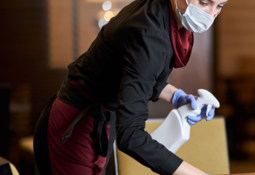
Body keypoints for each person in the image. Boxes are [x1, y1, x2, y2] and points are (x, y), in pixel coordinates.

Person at [33, 0, 227, 174]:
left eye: (219, 6)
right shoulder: (150, 34)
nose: (210, 15)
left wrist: (175, 96)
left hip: (95, 120)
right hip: (73, 126)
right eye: (203, 2)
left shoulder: (161, 10)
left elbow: (136, 70)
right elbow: (131, 136)